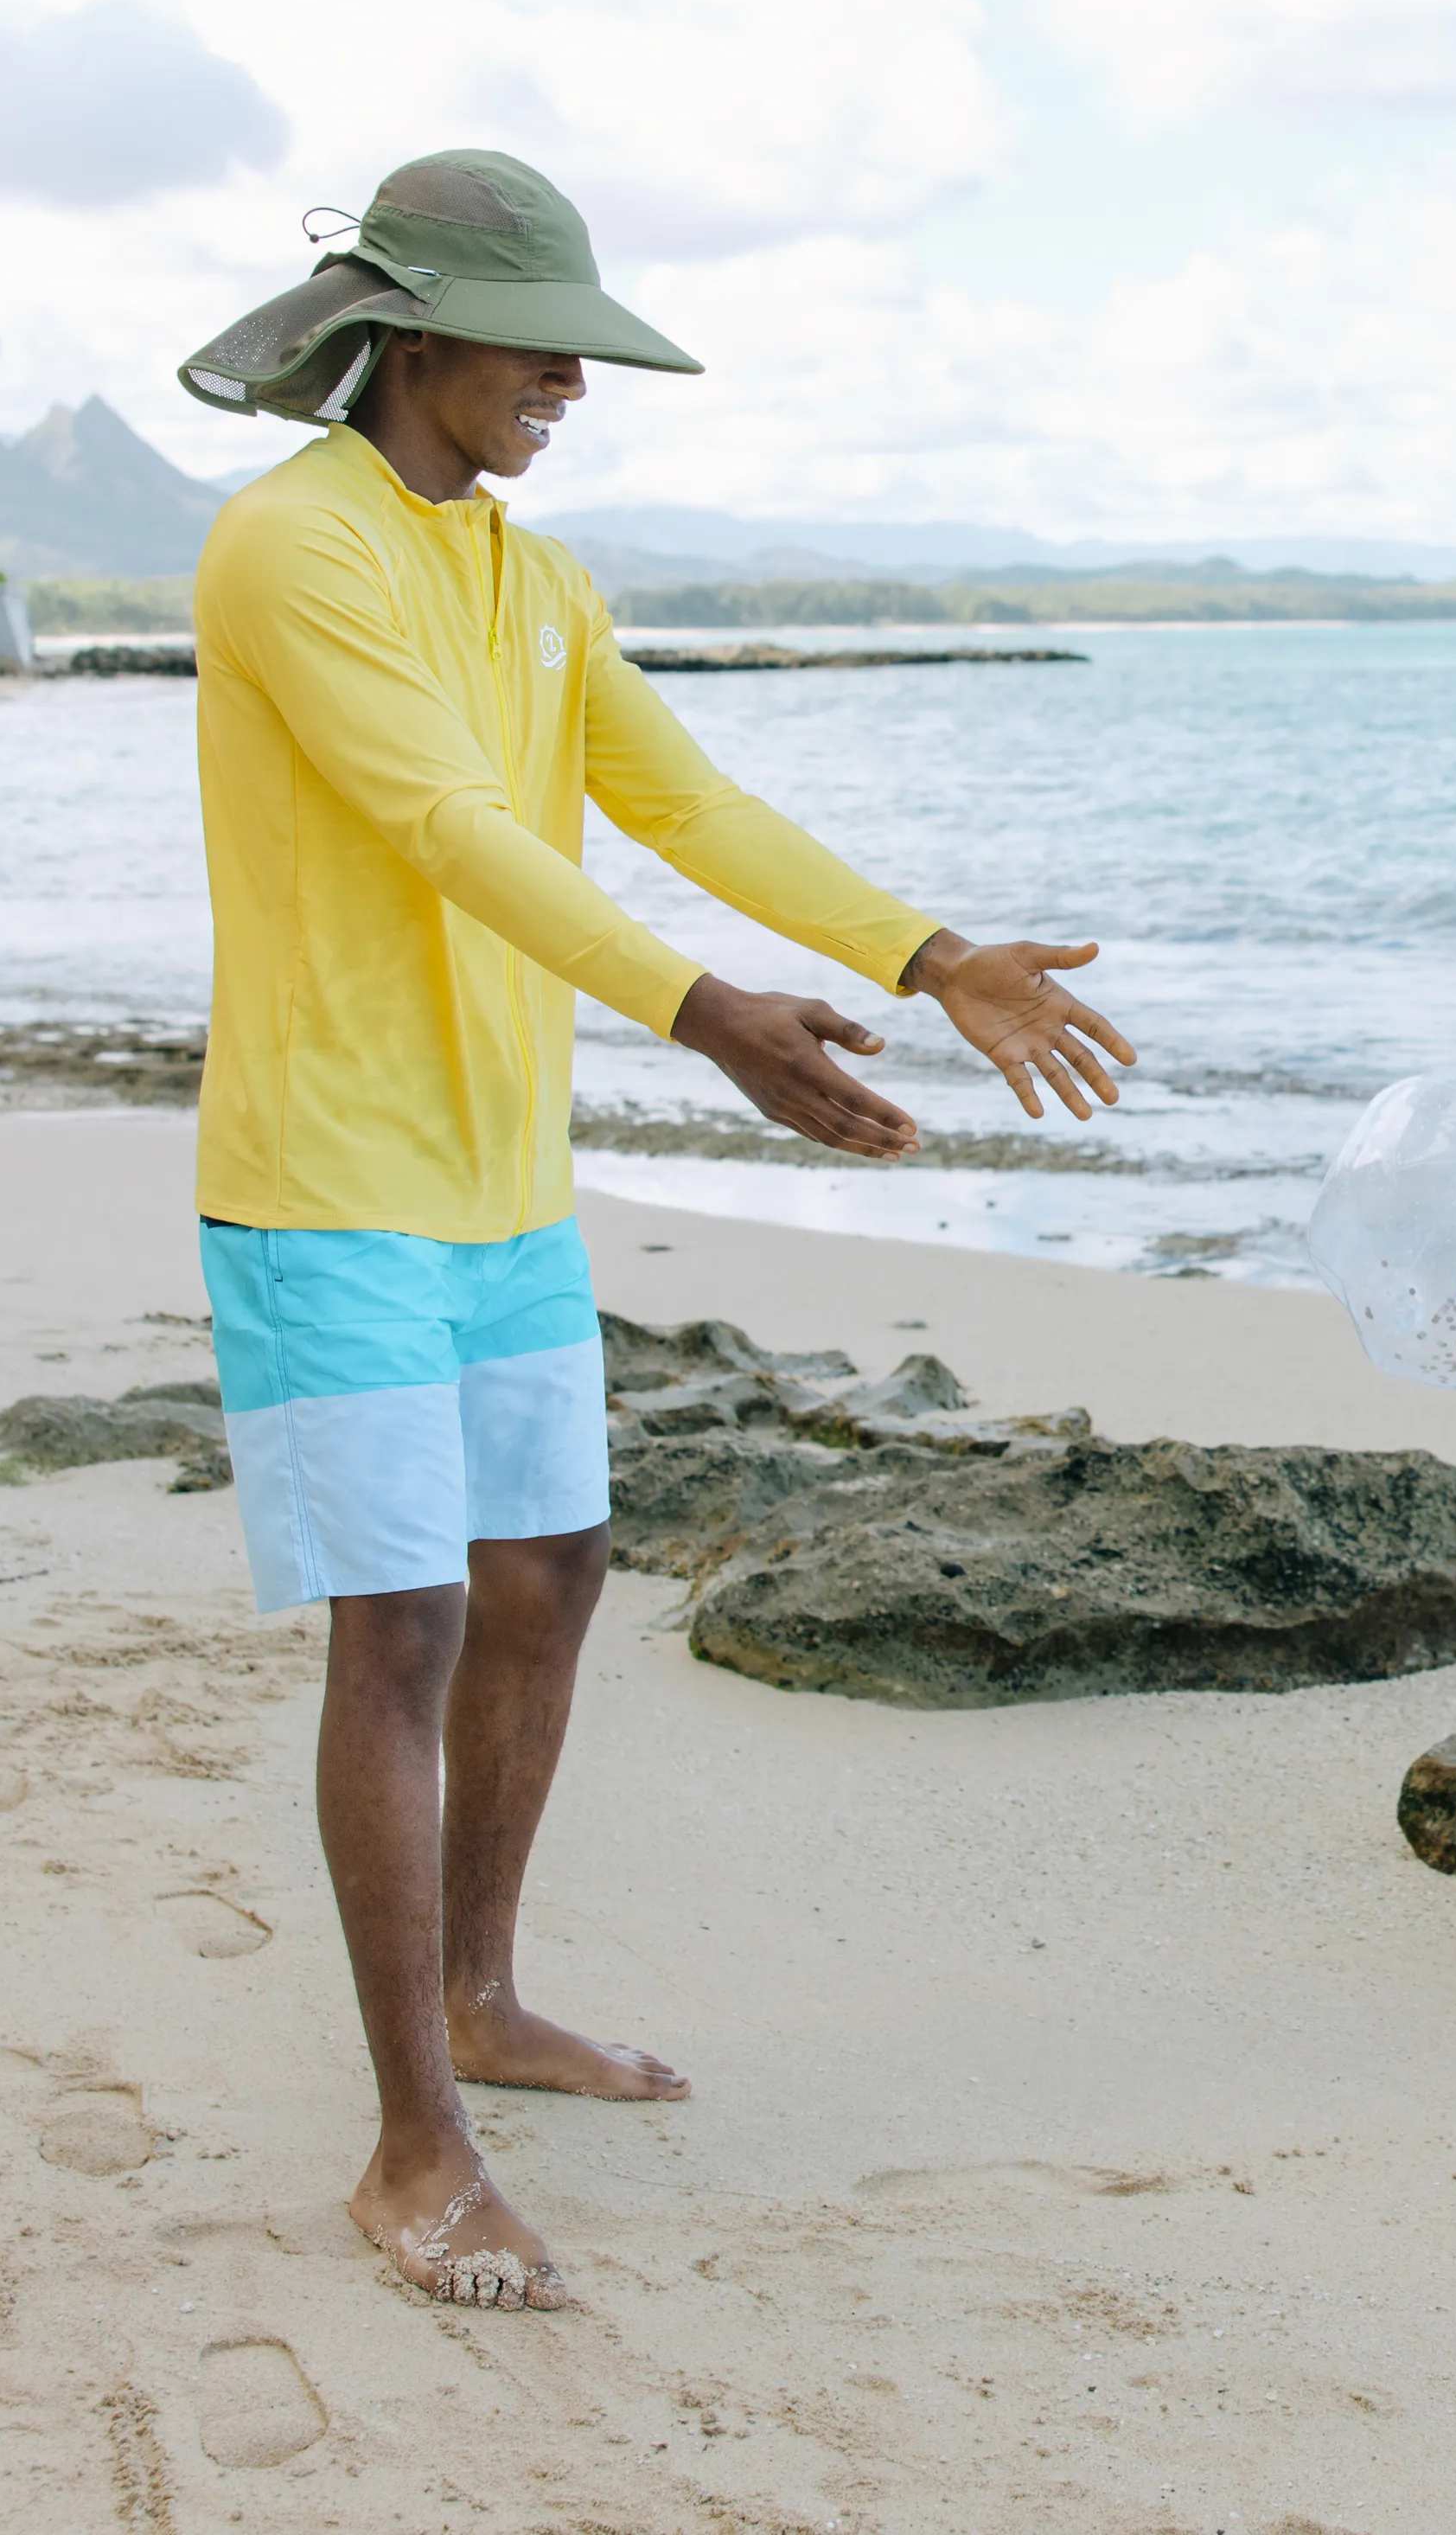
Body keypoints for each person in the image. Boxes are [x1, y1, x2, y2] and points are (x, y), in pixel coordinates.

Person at [175, 150, 1136, 2314]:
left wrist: (928, 952)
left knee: (551, 1575)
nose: (569, 386)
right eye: (540, 347)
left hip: (501, 1179)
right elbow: (441, 825)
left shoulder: (539, 576)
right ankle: (414, 2145)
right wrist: (706, 1017)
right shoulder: (285, 549)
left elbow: (679, 798)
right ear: (412, 333)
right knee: (401, 1625)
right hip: (327, 1175)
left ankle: (491, 2002)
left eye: (585, 354)